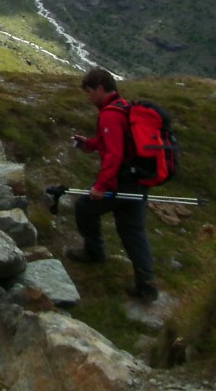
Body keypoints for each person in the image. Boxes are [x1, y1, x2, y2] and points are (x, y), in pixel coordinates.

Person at [64, 68, 159, 301]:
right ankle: (147, 285)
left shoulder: (109, 115)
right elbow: (112, 143)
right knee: (132, 230)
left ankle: (94, 252)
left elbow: (115, 155)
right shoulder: (124, 108)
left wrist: (100, 186)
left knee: (85, 207)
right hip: (139, 179)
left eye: (89, 92)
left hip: (122, 182)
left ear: (99, 88)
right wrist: (89, 143)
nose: (88, 97)